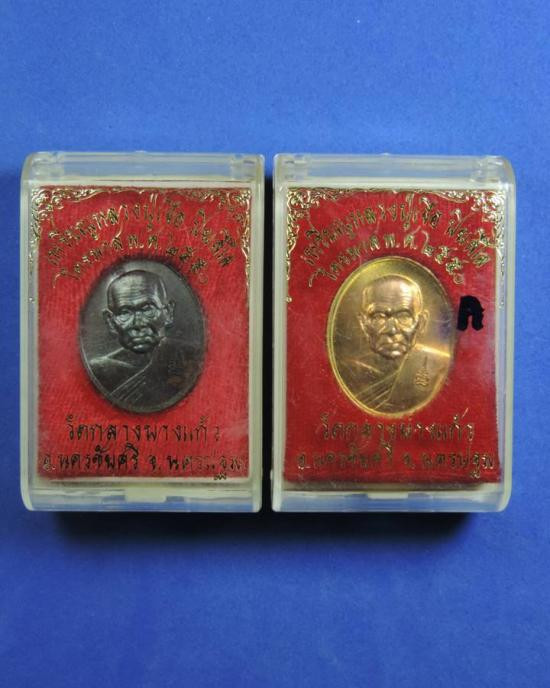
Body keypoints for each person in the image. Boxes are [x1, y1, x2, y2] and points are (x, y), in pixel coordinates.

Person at [89, 269, 202, 412]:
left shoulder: (192, 357)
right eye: (125, 312)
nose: (138, 323)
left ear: (168, 312)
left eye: (147, 310)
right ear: (110, 321)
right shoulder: (100, 371)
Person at [342, 273, 448, 414]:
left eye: (404, 316)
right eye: (379, 317)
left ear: (422, 323)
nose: (391, 330)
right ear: (363, 323)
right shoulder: (350, 372)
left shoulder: (440, 367)